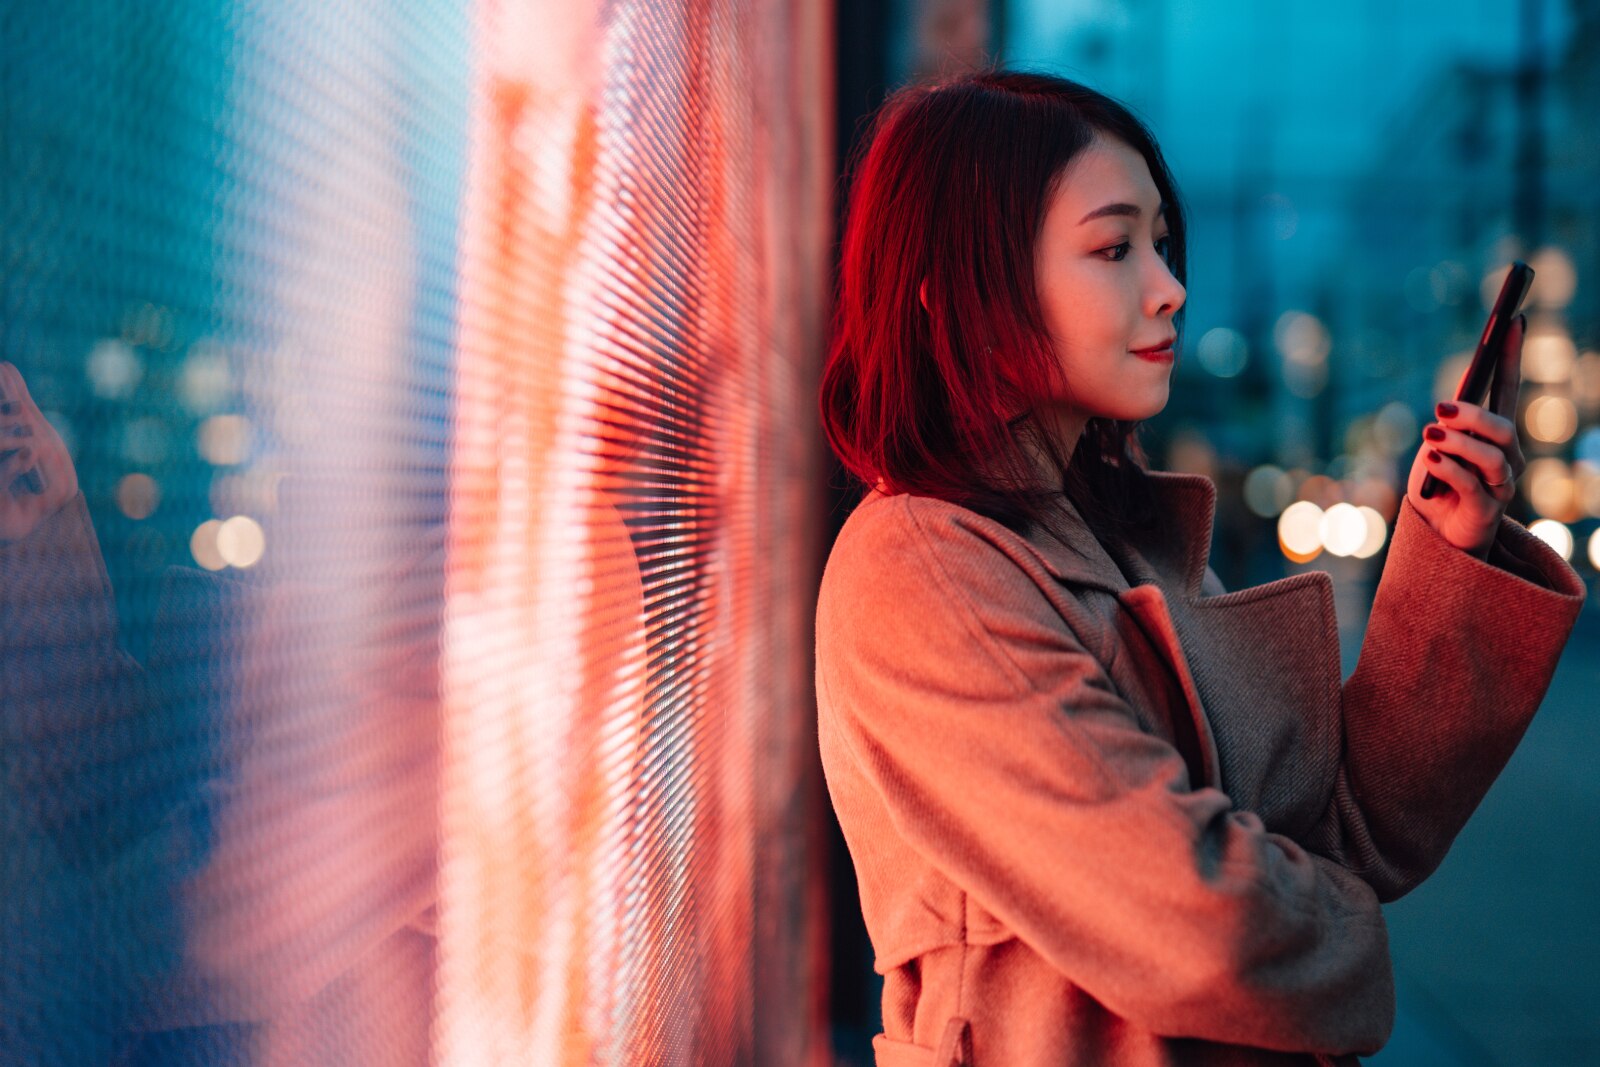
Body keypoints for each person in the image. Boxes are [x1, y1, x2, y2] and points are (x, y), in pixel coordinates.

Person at [813, 69, 1586, 1067]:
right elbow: (1204, 926)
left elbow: (1343, 822)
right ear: (960, 288)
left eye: (1163, 243)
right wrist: (1346, 935)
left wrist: (1450, 548)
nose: (1168, 285)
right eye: (1113, 246)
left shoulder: (1113, 536)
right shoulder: (923, 566)